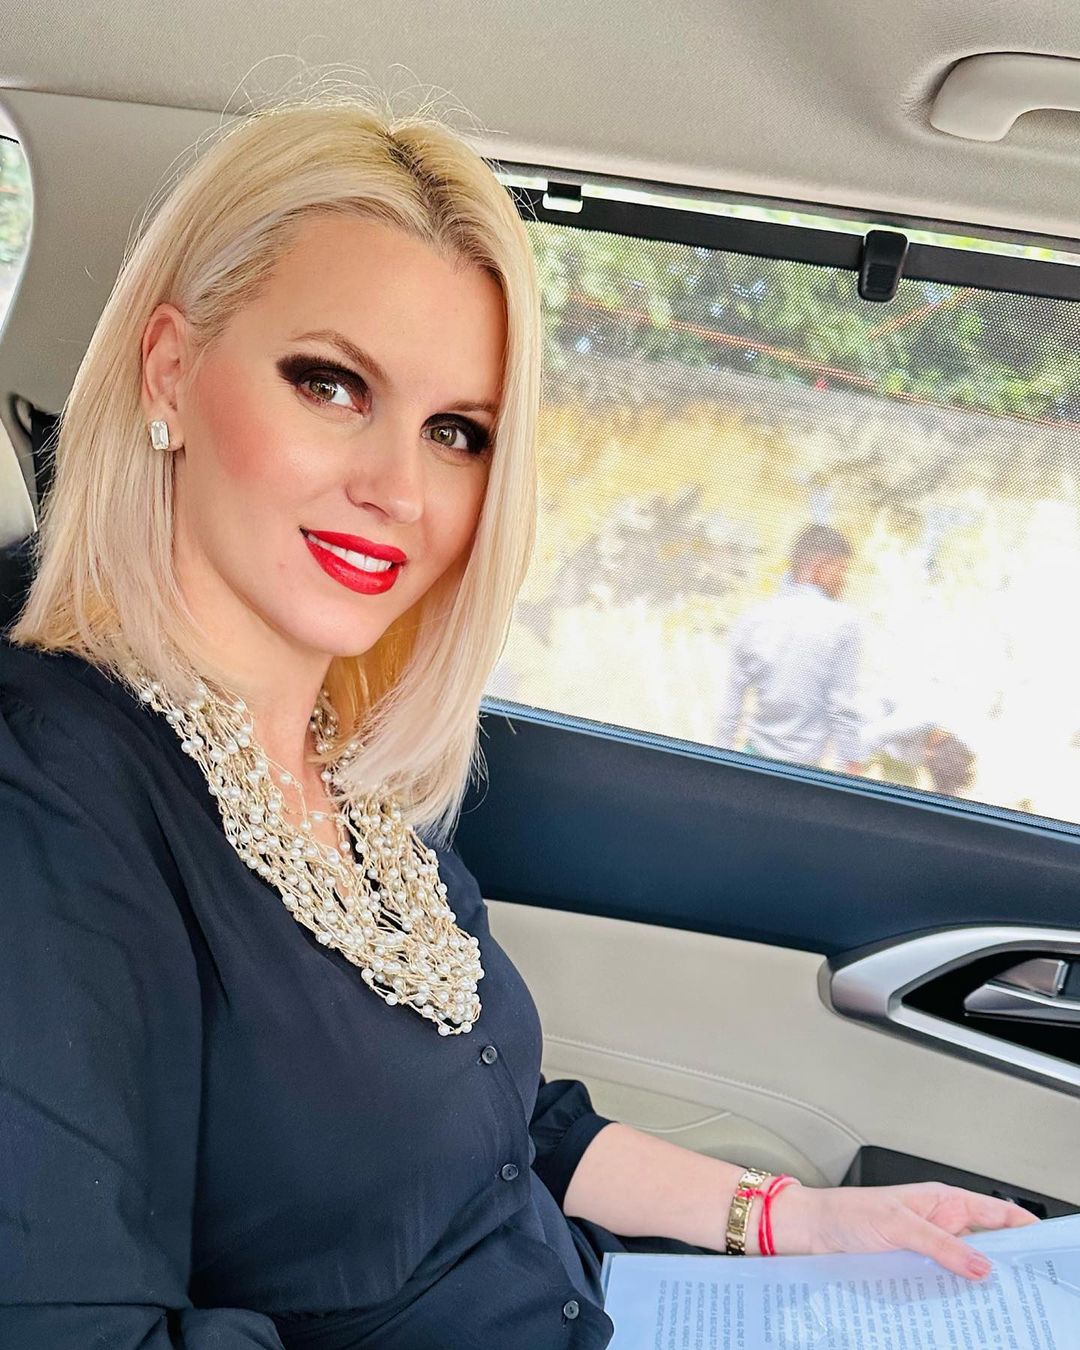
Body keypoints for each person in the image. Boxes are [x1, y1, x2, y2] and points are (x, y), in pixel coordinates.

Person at [0, 101, 1033, 1350]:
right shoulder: (52, 796)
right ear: (170, 369)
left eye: (458, 432)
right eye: (331, 384)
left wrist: (794, 1221)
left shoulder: (349, 764)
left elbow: (509, 1128)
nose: (399, 488)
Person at [716, 524, 864, 774]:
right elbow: (841, 707)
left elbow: (730, 710)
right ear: (820, 567)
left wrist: (718, 769)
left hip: (751, 764)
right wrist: (851, 769)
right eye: (841, 570)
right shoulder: (844, 624)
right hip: (803, 775)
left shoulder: (753, 619)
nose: (844, 581)